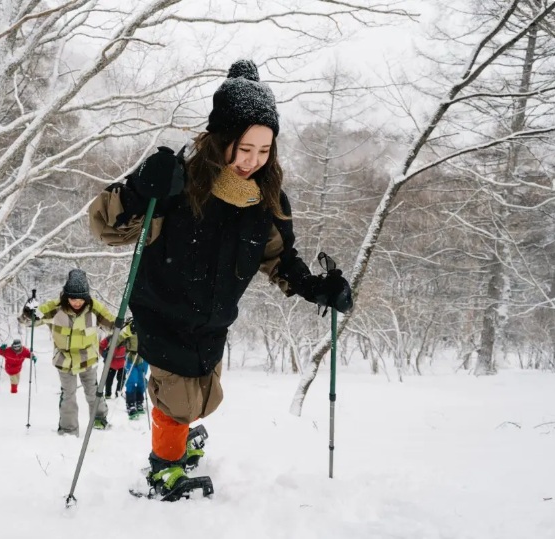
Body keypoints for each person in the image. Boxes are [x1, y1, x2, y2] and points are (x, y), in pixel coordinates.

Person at [89, 59, 353, 497]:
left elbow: (278, 257)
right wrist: (138, 191)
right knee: (177, 401)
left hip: (212, 318)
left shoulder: (265, 200)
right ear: (222, 139)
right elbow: (106, 225)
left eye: (264, 150)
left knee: (206, 398)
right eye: (244, 148)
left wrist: (313, 286)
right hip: (162, 309)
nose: (253, 161)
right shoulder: (179, 179)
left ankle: (180, 436)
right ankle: (163, 468)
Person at [20, 269, 115, 435]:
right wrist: (28, 313)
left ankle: (99, 419)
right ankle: (68, 429)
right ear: (66, 297)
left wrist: (125, 324)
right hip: (64, 360)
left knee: (93, 392)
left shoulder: (94, 308)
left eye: (80, 299)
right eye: (72, 299)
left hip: (88, 359)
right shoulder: (54, 308)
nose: (77, 303)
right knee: (68, 395)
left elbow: (112, 324)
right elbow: (28, 322)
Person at [120, 321, 148, 420]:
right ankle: (130, 404)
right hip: (130, 356)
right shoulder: (129, 324)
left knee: (141, 380)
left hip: (143, 357)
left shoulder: (149, 324)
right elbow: (120, 337)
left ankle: (139, 401)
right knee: (132, 379)